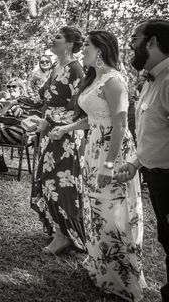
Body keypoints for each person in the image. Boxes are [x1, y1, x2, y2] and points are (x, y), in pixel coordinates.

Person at [51, 31, 145, 301]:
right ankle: (100, 265)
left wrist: (108, 164)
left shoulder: (114, 80)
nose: (83, 51)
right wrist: (67, 127)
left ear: (101, 50)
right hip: (92, 149)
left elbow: (120, 124)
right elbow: (94, 118)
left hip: (111, 152)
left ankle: (121, 277)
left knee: (113, 210)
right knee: (96, 209)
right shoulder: (95, 79)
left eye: (88, 46)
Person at [116, 19, 169, 302]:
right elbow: (154, 134)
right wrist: (135, 163)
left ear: (151, 43)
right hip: (155, 175)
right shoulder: (150, 79)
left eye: (135, 39)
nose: (131, 45)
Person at [24, 26, 86, 255]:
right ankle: (58, 229)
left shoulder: (76, 70)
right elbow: (41, 98)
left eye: (58, 37)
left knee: (61, 184)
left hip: (65, 136)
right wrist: (32, 114)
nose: (53, 39)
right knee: (47, 180)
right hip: (48, 133)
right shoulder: (55, 67)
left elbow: (79, 109)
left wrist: (51, 123)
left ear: (69, 44)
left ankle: (65, 236)